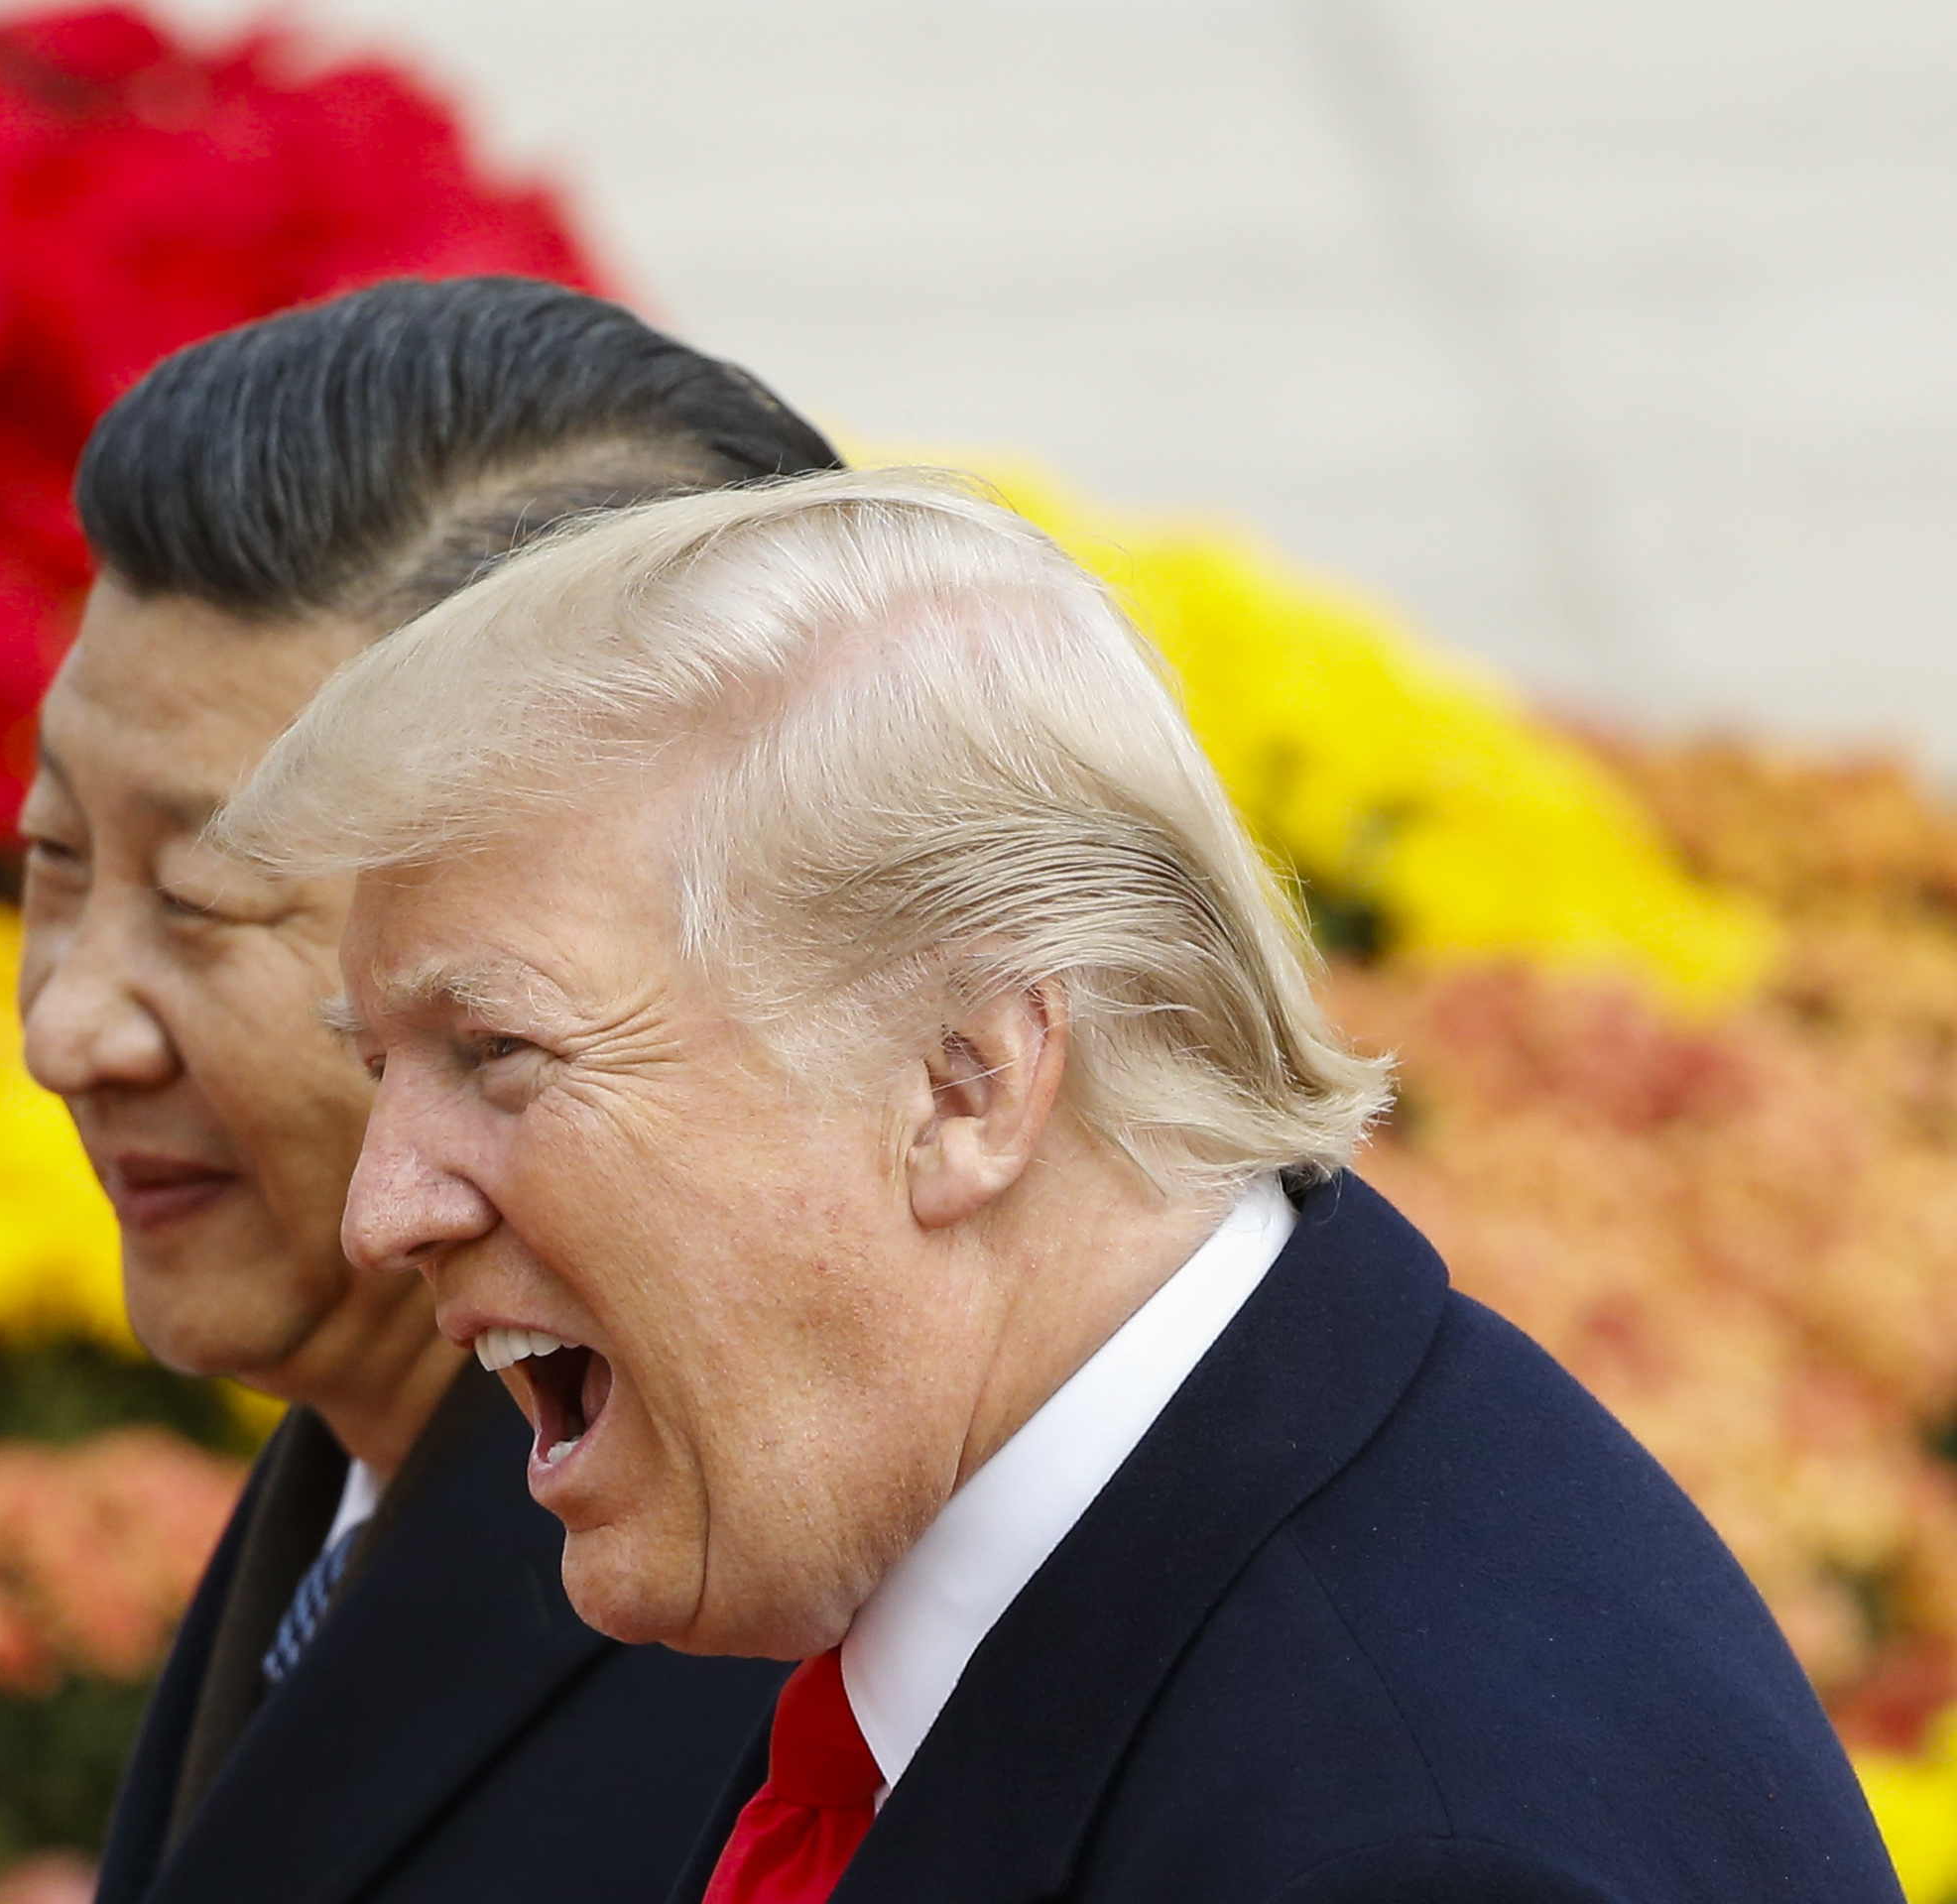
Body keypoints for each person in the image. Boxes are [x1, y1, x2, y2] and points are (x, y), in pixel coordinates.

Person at [218, 469, 1901, 1904]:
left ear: (967, 1080)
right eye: (380, 1070)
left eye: (498, 1051)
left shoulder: (1407, 1848)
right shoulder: (1009, 1537)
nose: (385, 1212)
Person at [20, 277, 831, 1904]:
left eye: (200, 900)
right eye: (51, 858)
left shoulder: (766, 1628)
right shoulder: (375, 1429)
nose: (70, 1028)